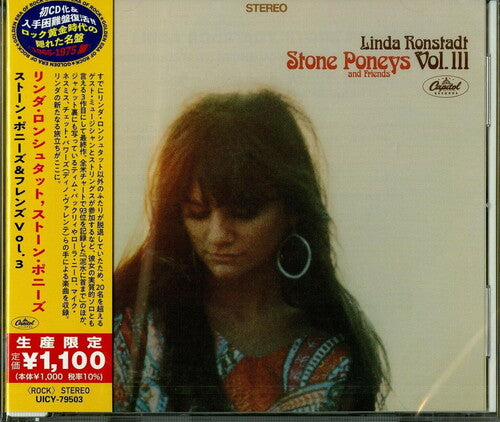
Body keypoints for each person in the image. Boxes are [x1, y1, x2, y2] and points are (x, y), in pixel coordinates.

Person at [113, 89, 390, 412]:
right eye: (197, 213)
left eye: (243, 212)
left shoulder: (333, 357)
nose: (218, 235)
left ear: (293, 210)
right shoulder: (130, 333)